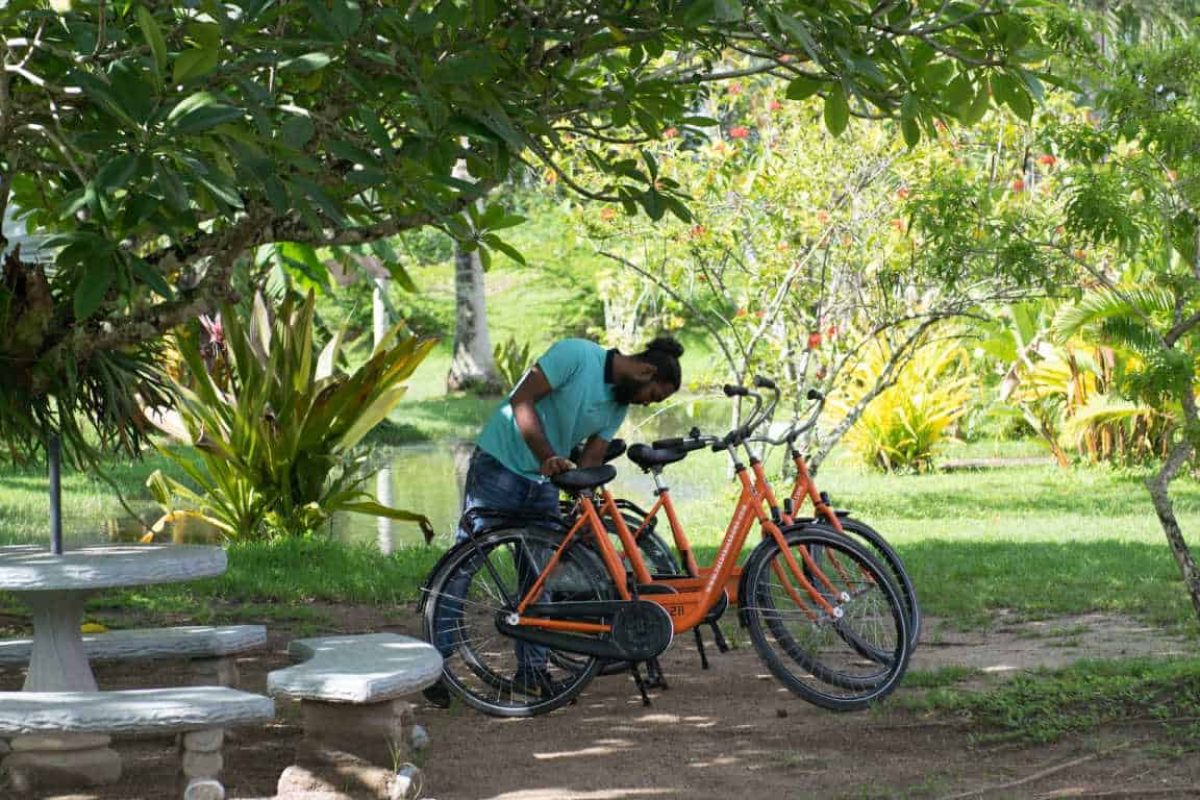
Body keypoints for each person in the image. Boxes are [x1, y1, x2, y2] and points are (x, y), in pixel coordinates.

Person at [425, 336, 685, 706]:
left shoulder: (616, 407)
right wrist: (547, 456)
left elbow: (591, 460)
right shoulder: (576, 355)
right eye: (653, 395)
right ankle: (434, 663)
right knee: (464, 564)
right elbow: (521, 400)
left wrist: (585, 506)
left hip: (544, 481)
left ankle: (531, 674)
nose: (647, 403)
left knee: (540, 576)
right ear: (646, 371)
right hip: (499, 467)